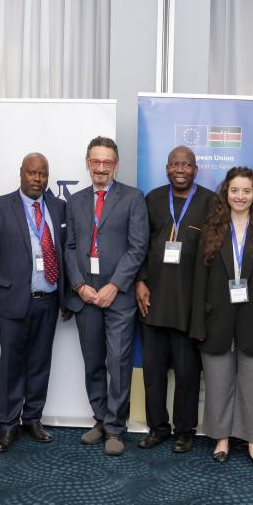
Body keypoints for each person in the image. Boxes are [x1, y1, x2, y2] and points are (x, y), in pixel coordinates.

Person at [190, 167, 253, 470]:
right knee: (218, 381)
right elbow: (198, 281)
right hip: (216, 319)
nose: (240, 196)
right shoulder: (211, 230)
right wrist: (197, 323)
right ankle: (221, 437)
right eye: (235, 190)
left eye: (246, 191)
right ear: (226, 193)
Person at [0, 153, 67, 453]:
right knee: (12, 365)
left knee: (41, 363)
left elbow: (66, 256)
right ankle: (7, 424)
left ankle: (33, 418)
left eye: (42, 174)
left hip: (49, 300)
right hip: (12, 301)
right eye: (31, 173)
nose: (37, 179)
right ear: (21, 174)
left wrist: (66, 297)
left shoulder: (59, 207)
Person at [65, 137, 148, 456]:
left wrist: (114, 286)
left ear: (116, 165)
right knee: (93, 362)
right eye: (96, 161)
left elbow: (137, 246)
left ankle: (115, 427)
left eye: (107, 162)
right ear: (88, 163)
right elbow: (69, 247)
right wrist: (78, 286)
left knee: (118, 361)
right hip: (86, 296)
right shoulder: (75, 201)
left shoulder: (132, 198)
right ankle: (99, 418)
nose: (101, 168)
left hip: (119, 296)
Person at [136, 146, 217, 453]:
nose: (180, 169)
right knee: (153, 372)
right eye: (174, 164)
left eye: (186, 164)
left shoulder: (211, 201)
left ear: (195, 169)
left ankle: (185, 430)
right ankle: (157, 428)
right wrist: (139, 281)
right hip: (152, 300)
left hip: (189, 304)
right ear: (167, 168)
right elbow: (140, 245)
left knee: (186, 373)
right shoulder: (153, 199)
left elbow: (213, 255)